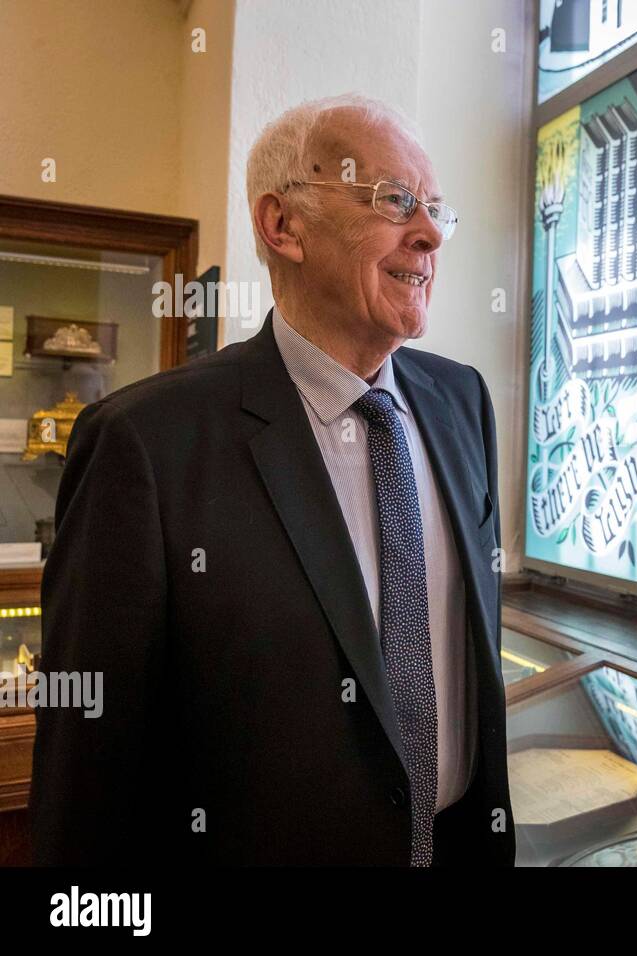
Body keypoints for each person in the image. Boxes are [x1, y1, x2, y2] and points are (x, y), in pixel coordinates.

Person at [30, 94, 515, 865]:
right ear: (281, 225)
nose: (428, 234)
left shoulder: (463, 403)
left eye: (435, 209)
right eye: (393, 200)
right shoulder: (145, 445)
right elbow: (87, 773)